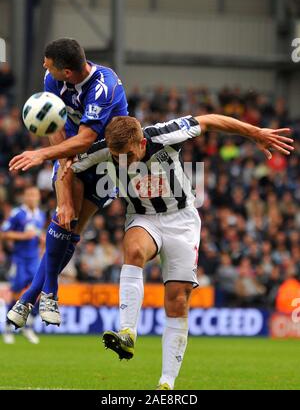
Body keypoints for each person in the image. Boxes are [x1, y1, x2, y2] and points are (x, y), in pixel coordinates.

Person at [70, 113, 293, 389]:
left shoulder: (166, 134)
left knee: (177, 301)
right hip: (143, 217)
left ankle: (166, 382)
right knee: (134, 250)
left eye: (127, 154)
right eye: (116, 157)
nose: (121, 161)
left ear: (141, 143)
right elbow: (67, 165)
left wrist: (256, 132)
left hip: (182, 221)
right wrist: (59, 196)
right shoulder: (105, 150)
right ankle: (127, 332)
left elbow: (210, 120)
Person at [7, 38, 128, 328]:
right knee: (64, 217)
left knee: (75, 229)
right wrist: (62, 166)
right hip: (70, 156)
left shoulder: (104, 86)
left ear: (68, 72)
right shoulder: (52, 79)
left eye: (48, 64)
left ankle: (28, 298)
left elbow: (87, 138)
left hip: (104, 161)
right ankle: (50, 293)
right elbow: (54, 125)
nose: (44, 68)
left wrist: (41, 155)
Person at [0, 186, 45, 344]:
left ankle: (28, 327)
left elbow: (40, 235)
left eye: (35, 195)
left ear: (39, 197)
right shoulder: (17, 214)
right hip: (19, 260)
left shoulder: (40, 214)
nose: (33, 198)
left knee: (37, 292)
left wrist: (42, 245)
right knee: (15, 292)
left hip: (34, 260)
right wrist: (23, 236)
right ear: (25, 197)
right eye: (30, 195)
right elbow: (4, 233)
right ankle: (8, 327)